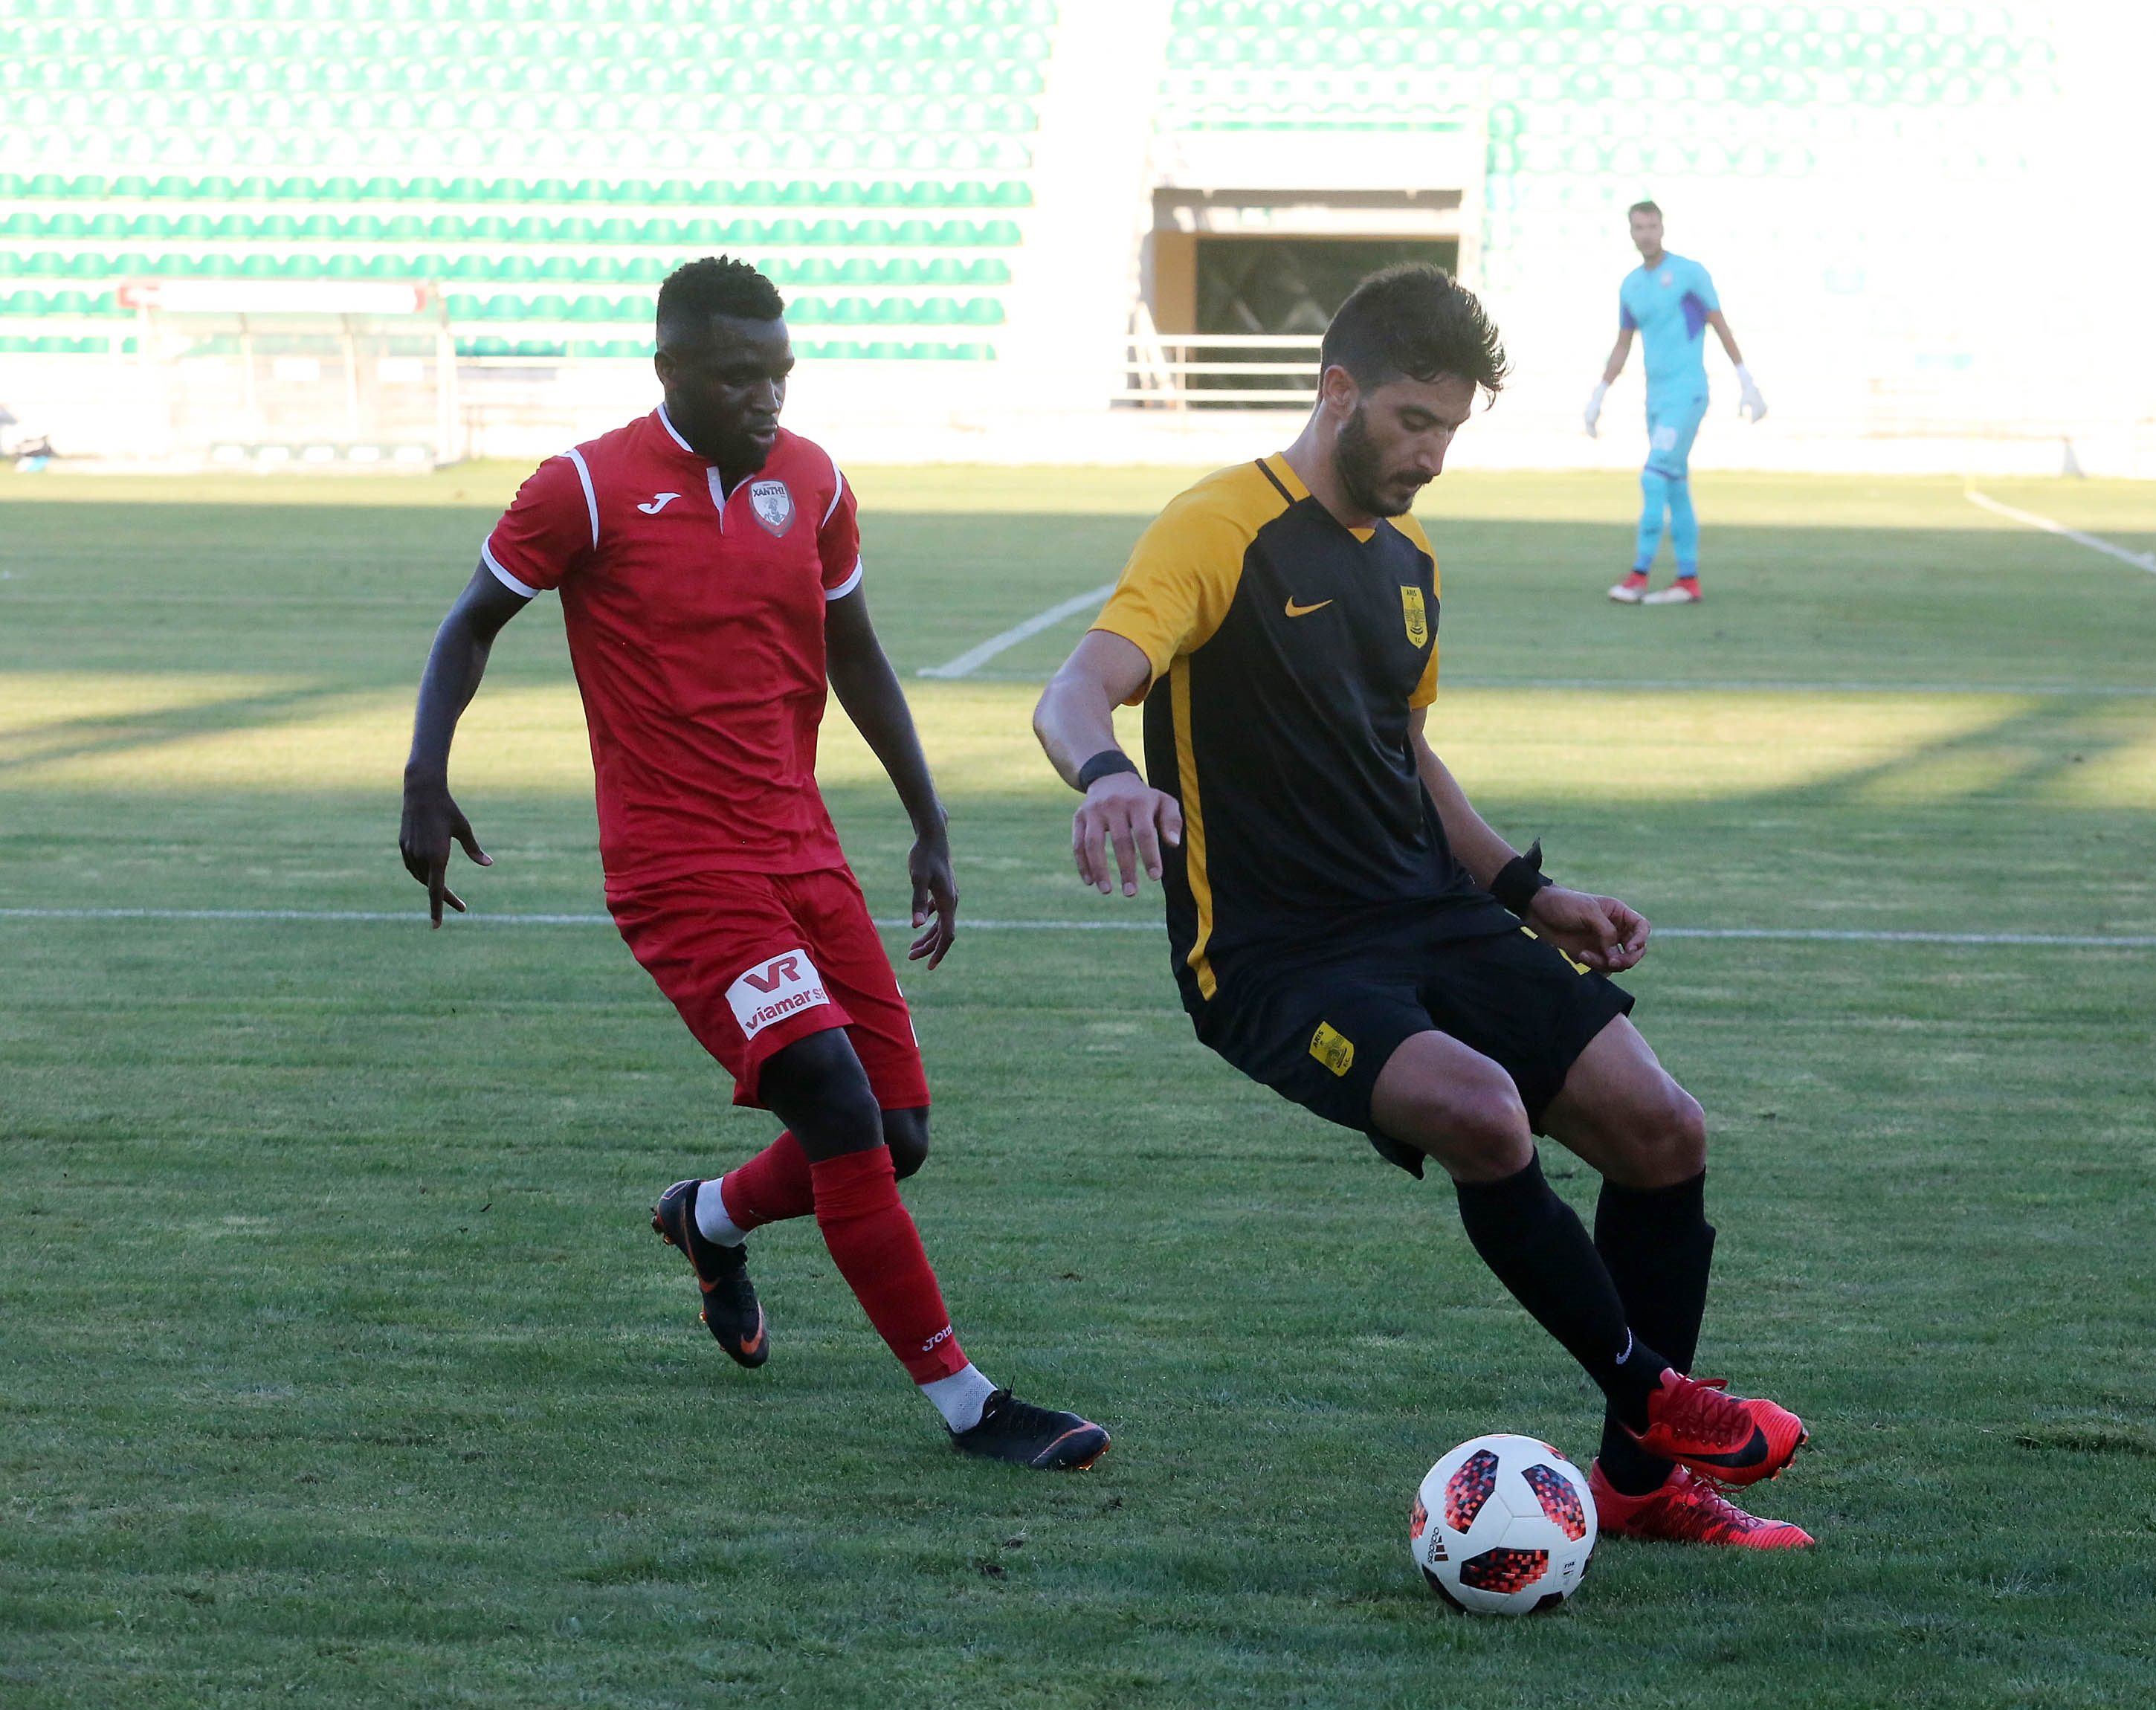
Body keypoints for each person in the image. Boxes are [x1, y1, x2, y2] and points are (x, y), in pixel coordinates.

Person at [1033, 263, 1812, 1546]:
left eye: (1450, 429)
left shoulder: (1409, 560)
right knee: (1481, 1112)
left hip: (1425, 912)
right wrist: (1107, 776)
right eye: (1413, 422)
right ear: (1338, 391)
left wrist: (1529, 891)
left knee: (1663, 1129)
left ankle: (1637, 1482)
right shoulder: (1217, 526)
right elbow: (1074, 690)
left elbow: (1406, 758)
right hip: (1274, 957)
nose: (1433, 456)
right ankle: (1653, 1396)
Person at [399, 256, 1107, 1471]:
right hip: (679, 868)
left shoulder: (813, 481)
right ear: (669, 368)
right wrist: (426, 775)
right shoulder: (584, 487)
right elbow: (470, 622)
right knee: (833, 1101)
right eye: (737, 377)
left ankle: (709, 1218)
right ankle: (969, 1405)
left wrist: (928, 820)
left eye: (778, 373)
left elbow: (855, 651)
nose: (766, 397)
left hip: (802, 848)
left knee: (897, 1134)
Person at [1585, 200, 1764, 605]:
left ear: (1662, 228)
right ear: (1631, 232)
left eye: (1652, 226)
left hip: (1688, 393)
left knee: (1653, 477)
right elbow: (1623, 343)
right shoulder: (1631, 285)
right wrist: (1600, 393)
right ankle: (1688, 580)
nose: (1646, 234)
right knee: (1675, 485)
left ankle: (1638, 575)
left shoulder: (1689, 274)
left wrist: (1745, 378)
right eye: (1639, 227)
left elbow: (1719, 324)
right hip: (1656, 399)